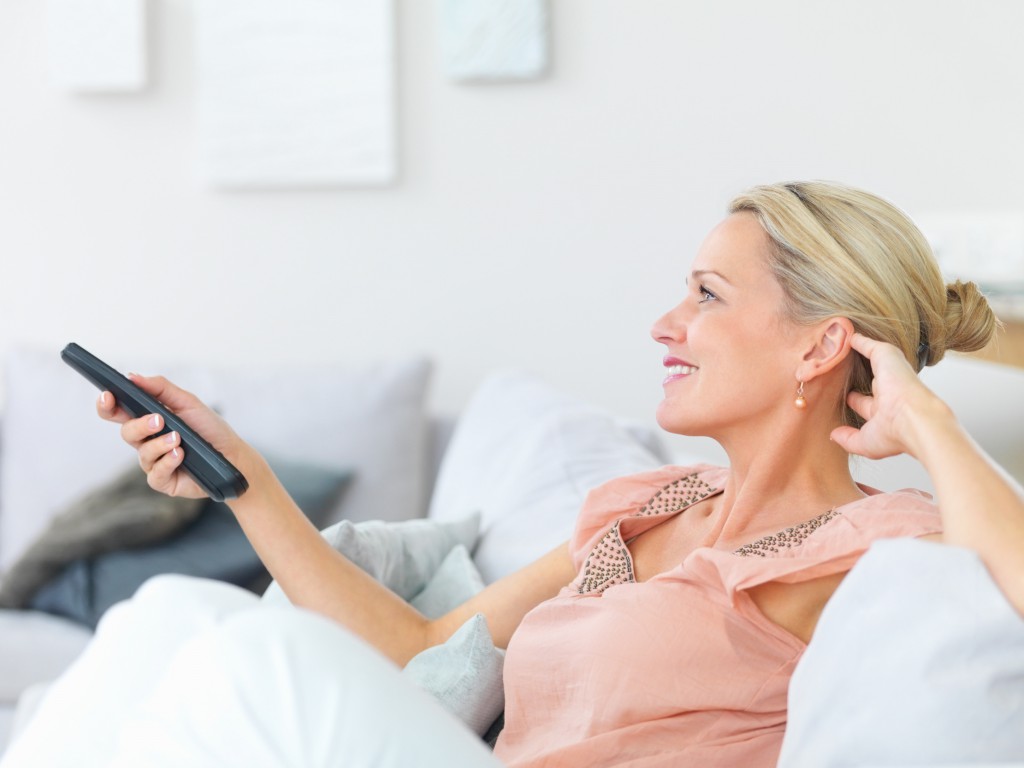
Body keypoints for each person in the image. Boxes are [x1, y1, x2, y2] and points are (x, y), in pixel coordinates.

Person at [9, 181, 1024, 768]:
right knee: (175, 612)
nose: (666, 324)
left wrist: (927, 421)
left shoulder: (878, 540)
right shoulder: (647, 507)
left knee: (260, 666)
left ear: (820, 348)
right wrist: (246, 483)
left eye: (707, 296)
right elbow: (423, 647)